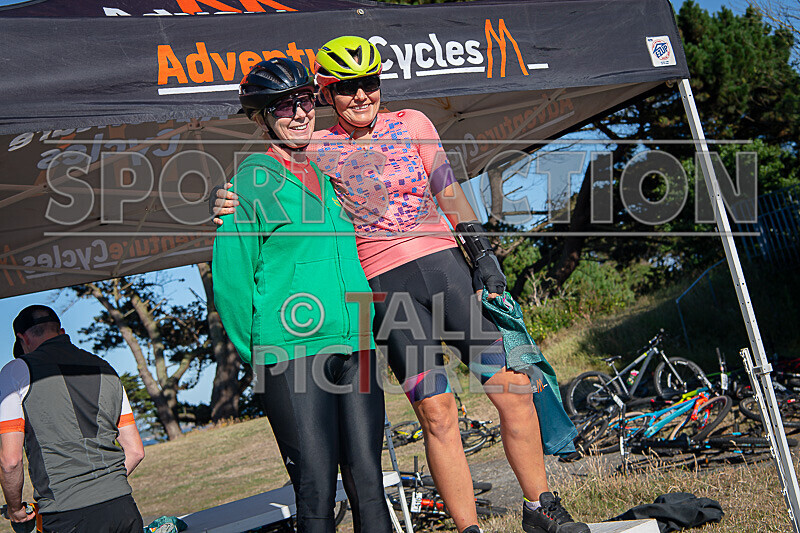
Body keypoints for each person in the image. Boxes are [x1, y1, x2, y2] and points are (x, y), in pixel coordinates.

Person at [215, 37, 587, 533]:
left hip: (445, 271)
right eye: (346, 89)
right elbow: (274, 176)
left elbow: (447, 189)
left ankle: (542, 507)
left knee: (512, 388)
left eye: (369, 85)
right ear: (326, 94)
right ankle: (468, 528)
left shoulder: (413, 123)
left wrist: (482, 256)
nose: (361, 97)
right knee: (437, 411)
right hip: (389, 293)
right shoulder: (317, 149)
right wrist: (228, 199)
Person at [212, 57, 391, 533]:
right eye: (284, 105)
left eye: (305, 100)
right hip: (290, 352)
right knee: (316, 485)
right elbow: (230, 278)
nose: (299, 112)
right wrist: (262, 352)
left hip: (357, 345)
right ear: (262, 117)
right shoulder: (252, 180)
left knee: (369, 480)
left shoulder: (332, 172)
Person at [0, 305, 145, 533]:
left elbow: (10, 461)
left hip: (67, 515)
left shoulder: (16, 371)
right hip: (123, 508)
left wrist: (16, 509)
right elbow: (136, 451)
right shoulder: (106, 369)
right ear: (61, 331)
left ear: (22, 338)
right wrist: (102, 485)